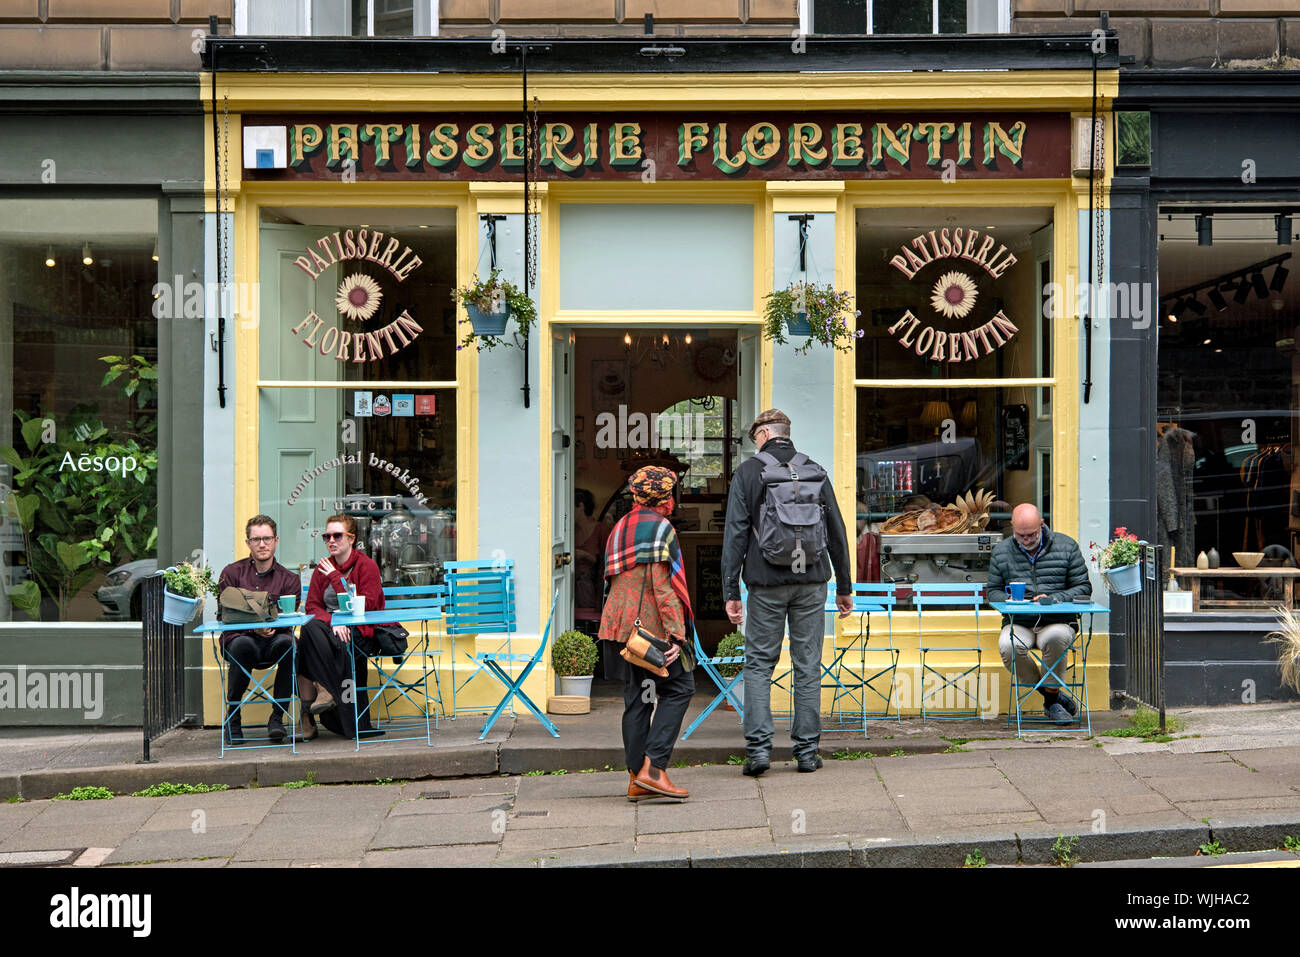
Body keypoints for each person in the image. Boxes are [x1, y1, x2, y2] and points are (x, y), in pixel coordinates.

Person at [722, 409, 853, 776]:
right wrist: (844, 586)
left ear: (763, 434)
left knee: (760, 664)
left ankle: (759, 752)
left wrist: (730, 589)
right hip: (812, 581)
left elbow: (734, 533)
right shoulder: (813, 469)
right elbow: (837, 531)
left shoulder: (749, 472)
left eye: (755, 437)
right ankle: (808, 752)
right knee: (807, 665)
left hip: (766, 583)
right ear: (787, 435)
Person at [598, 466, 695, 801]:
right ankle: (653, 770)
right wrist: (677, 637)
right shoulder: (660, 529)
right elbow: (663, 589)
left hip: (616, 627)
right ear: (666, 498)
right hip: (649, 631)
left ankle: (636, 780)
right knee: (682, 687)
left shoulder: (620, 527)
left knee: (637, 700)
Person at [986, 503, 1093, 724]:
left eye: (1031, 534)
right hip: (1020, 621)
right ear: (1012, 527)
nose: (1026, 540)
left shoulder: (1066, 546)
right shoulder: (1002, 551)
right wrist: (1011, 601)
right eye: (1020, 535)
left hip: (1057, 620)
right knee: (1008, 645)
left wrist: (1055, 598)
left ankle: (1051, 700)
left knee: (1055, 639)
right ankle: (1053, 699)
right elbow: (992, 592)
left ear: (1042, 525)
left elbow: (1083, 587)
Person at [296, 514, 387, 740]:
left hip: (360, 632)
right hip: (330, 631)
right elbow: (312, 607)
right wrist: (334, 622)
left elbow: (364, 608)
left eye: (337, 535)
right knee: (308, 630)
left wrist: (336, 578)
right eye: (327, 536)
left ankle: (314, 705)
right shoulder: (321, 569)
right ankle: (324, 691)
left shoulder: (367, 566)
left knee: (310, 640)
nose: (331, 541)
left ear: (351, 538)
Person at [216, 515, 302, 744]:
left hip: (275, 641)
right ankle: (233, 718)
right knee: (242, 645)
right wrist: (255, 629)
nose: (262, 544)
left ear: (276, 540)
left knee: (289, 644)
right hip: (240, 640)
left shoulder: (290, 579)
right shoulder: (231, 574)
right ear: (248, 543)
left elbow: (289, 617)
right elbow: (222, 615)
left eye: (266, 538)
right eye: (256, 539)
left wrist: (269, 629)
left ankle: (277, 717)